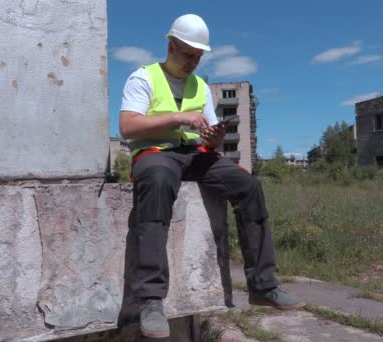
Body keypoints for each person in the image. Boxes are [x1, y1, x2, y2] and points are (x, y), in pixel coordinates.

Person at [119, 13, 305, 339]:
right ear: (171, 45)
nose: (194, 61)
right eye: (188, 54)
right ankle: (151, 300)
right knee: (159, 182)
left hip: (194, 154)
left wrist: (214, 137)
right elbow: (128, 126)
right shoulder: (143, 78)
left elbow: (206, 137)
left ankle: (263, 285)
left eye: (199, 56)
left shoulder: (201, 86)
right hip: (156, 155)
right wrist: (177, 118)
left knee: (248, 186)